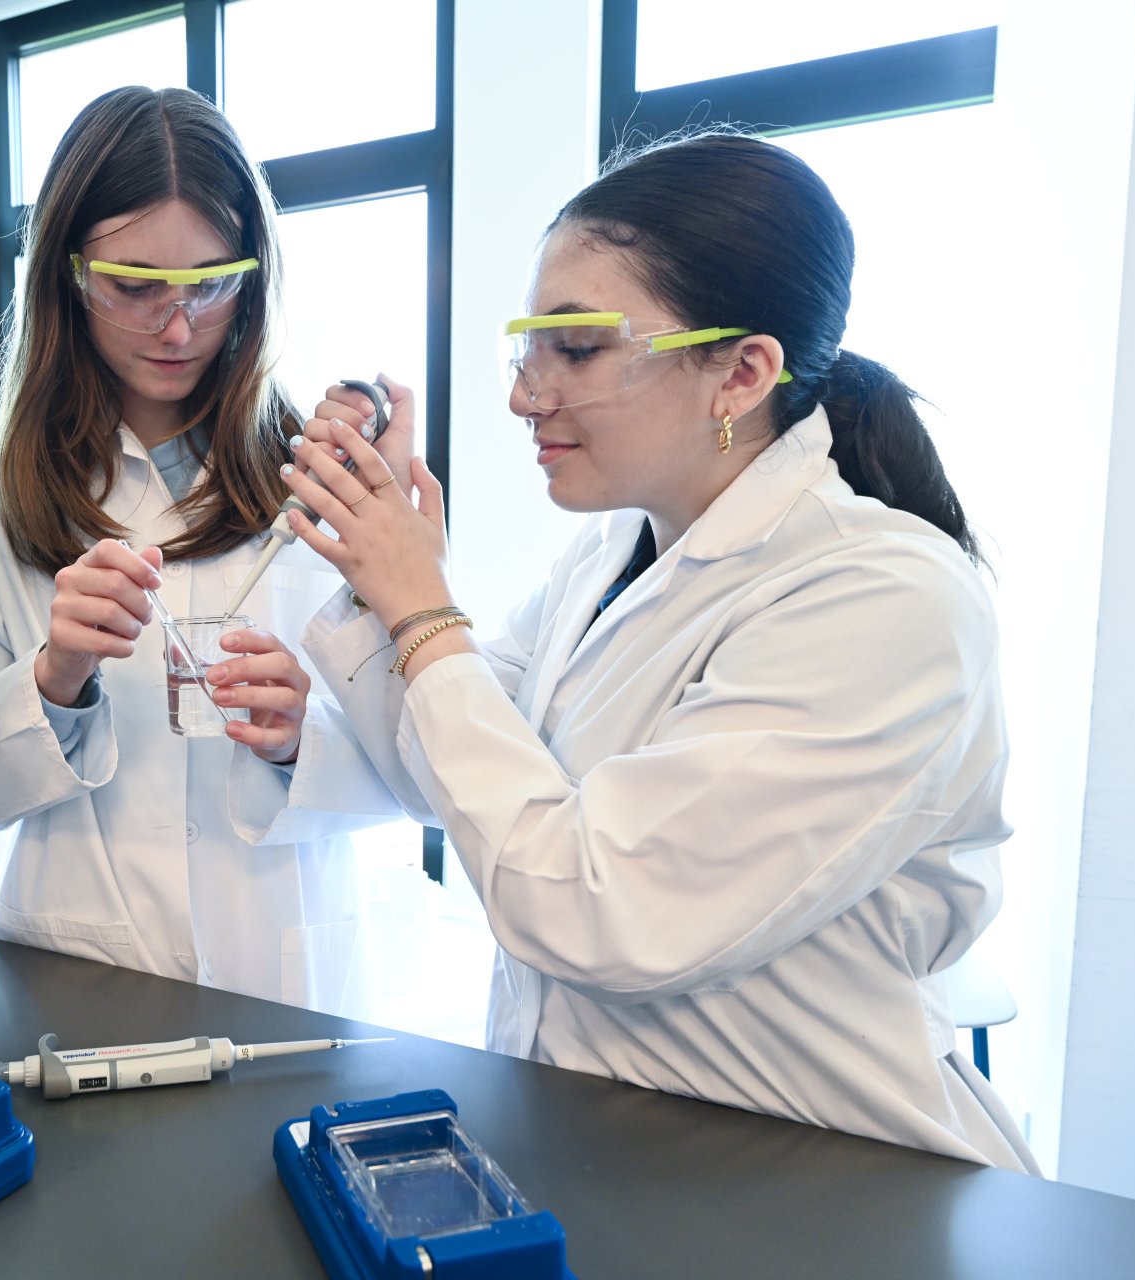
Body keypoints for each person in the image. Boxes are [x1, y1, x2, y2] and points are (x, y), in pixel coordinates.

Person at [279, 131, 1038, 1170]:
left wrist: (421, 603)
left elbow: (598, 907)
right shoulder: (609, 553)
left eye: (577, 349)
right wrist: (380, 573)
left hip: (816, 1176)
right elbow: (448, 763)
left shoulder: (886, 596)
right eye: (528, 346)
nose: (522, 393)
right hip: (605, 1142)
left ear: (742, 371)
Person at [0, 86, 392, 1011]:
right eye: (135, 287)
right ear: (67, 274)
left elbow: (425, 761)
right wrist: (52, 679)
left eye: (211, 284)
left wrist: (305, 742)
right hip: (80, 968)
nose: (177, 328)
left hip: (286, 970)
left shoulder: (328, 470)